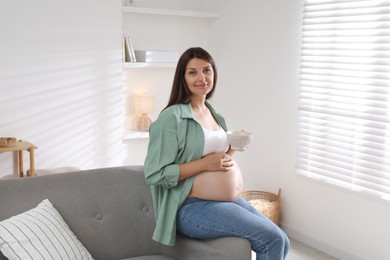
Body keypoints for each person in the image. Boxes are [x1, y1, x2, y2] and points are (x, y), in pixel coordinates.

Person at [144, 47, 290, 259]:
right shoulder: (171, 118)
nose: (202, 77)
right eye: (192, 72)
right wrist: (204, 165)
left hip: (224, 201)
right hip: (191, 207)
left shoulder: (214, 114)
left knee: (282, 238)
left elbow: (216, 160)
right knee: (271, 239)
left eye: (207, 70)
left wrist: (232, 149)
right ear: (182, 78)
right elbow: (155, 173)